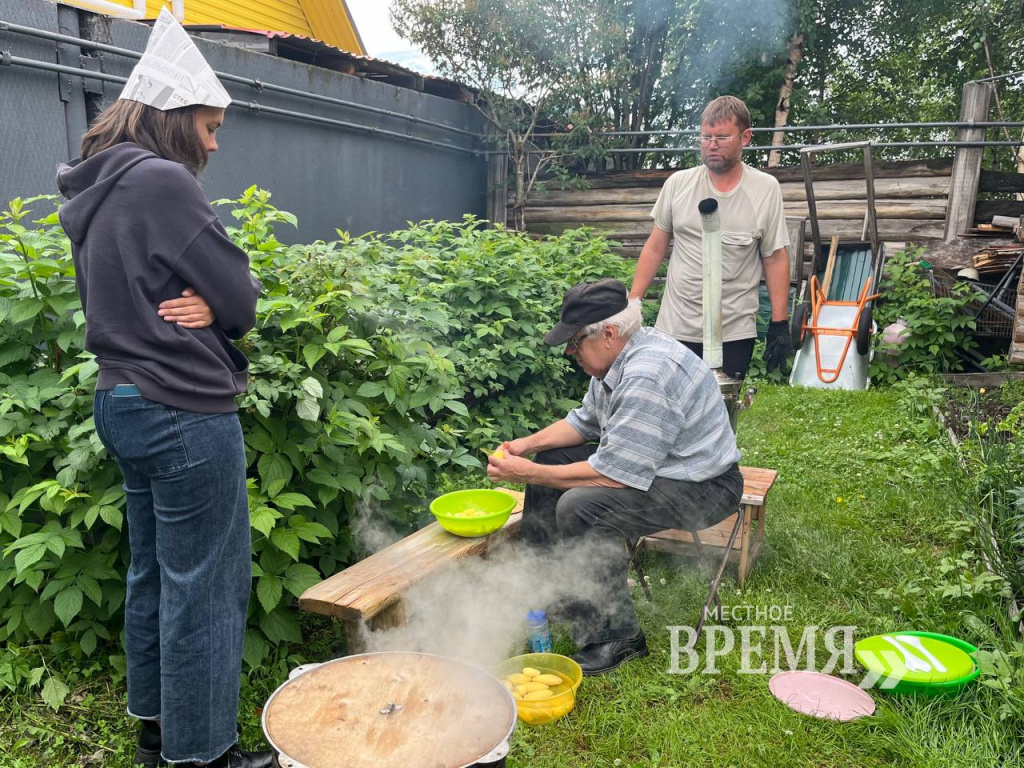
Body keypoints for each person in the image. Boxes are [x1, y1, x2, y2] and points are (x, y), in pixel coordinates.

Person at [57, 10, 273, 768]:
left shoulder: (98, 186)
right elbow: (243, 302)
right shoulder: (164, 182)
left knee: (153, 570)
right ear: (175, 119)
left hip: (120, 400)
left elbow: (137, 291)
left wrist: (208, 301)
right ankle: (203, 754)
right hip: (183, 408)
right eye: (210, 127)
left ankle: (157, 730)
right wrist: (222, 302)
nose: (214, 144)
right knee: (206, 589)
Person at [487, 278, 743, 675]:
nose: (571, 353)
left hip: (704, 487)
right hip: (659, 466)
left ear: (608, 333)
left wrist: (528, 471)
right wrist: (526, 446)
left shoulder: (647, 374)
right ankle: (554, 595)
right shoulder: (617, 358)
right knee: (551, 460)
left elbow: (613, 476)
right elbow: (585, 421)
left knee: (582, 506)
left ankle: (617, 638)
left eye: (574, 344)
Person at [629, 95, 793, 380]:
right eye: (706, 137)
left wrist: (780, 322)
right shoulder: (679, 184)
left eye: (722, 137)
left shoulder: (765, 189)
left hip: (733, 329)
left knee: (721, 414)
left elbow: (774, 256)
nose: (712, 145)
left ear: (745, 137)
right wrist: (634, 302)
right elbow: (656, 246)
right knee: (670, 410)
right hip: (676, 326)